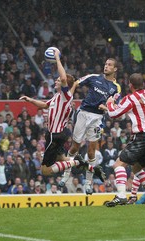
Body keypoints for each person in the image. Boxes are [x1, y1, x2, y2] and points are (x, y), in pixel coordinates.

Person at [19, 48, 83, 177]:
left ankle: (77, 162)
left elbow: (65, 78)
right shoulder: (57, 96)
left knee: (45, 171)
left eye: (58, 80)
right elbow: (43, 105)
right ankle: (77, 162)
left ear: (64, 85)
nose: (56, 81)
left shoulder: (66, 96)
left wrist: (57, 59)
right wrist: (29, 99)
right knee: (61, 159)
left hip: (56, 135)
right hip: (57, 133)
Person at [60, 58, 119, 194]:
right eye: (105, 64)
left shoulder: (116, 88)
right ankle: (66, 174)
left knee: (91, 151)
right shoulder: (94, 77)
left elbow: (114, 107)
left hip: (97, 118)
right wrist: (69, 98)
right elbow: (76, 82)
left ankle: (88, 182)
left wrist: (105, 107)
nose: (106, 66)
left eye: (109, 65)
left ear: (115, 69)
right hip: (83, 113)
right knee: (75, 147)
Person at [105, 73, 145, 207]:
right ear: (143, 84)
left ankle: (121, 195)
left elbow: (113, 114)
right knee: (137, 168)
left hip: (142, 137)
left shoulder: (131, 98)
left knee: (118, 165)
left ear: (130, 85)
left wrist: (110, 104)